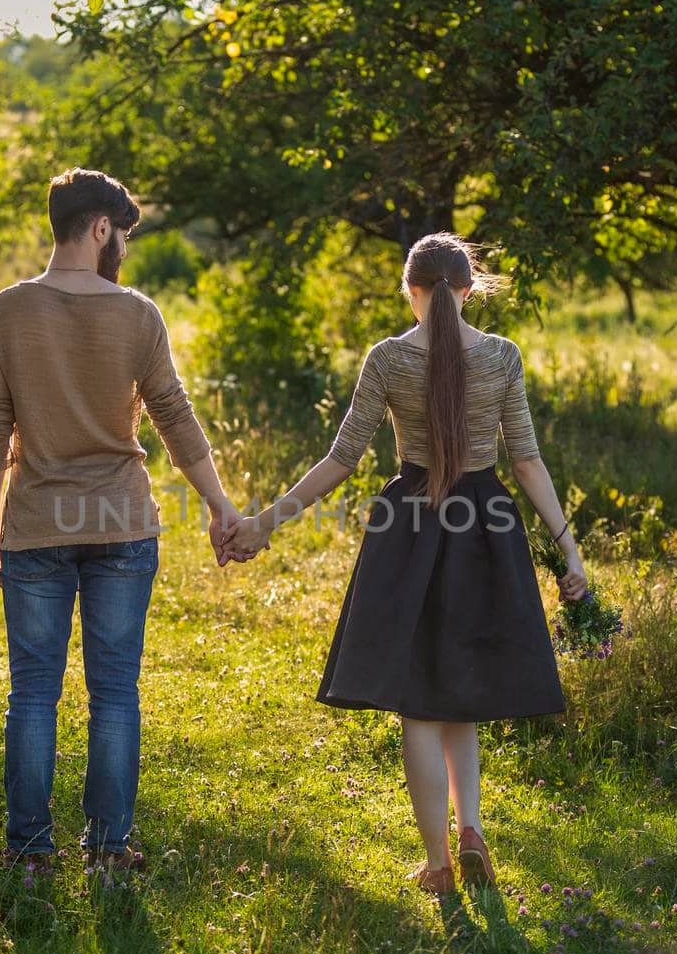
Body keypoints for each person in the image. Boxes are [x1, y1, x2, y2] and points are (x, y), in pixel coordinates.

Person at [226, 232, 587, 895]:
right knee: (459, 696)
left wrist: (265, 523)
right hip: (487, 524)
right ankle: (471, 827)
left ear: (410, 290)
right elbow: (527, 460)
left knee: (419, 704)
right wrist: (570, 548)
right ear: (469, 289)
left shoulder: (388, 358)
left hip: (410, 526)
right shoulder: (502, 356)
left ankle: (439, 862)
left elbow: (342, 458)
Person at [0, 167, 247, 875]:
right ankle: (109, 849)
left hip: (37, 524)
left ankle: (30, 852)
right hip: (123, 524)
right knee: (114, 690)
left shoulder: (2, 312)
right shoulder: (137, 312)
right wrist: (220, 506)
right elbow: (175, 418)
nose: (122, 246)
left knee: (33, 689)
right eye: (121, 233)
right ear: (100, 227)